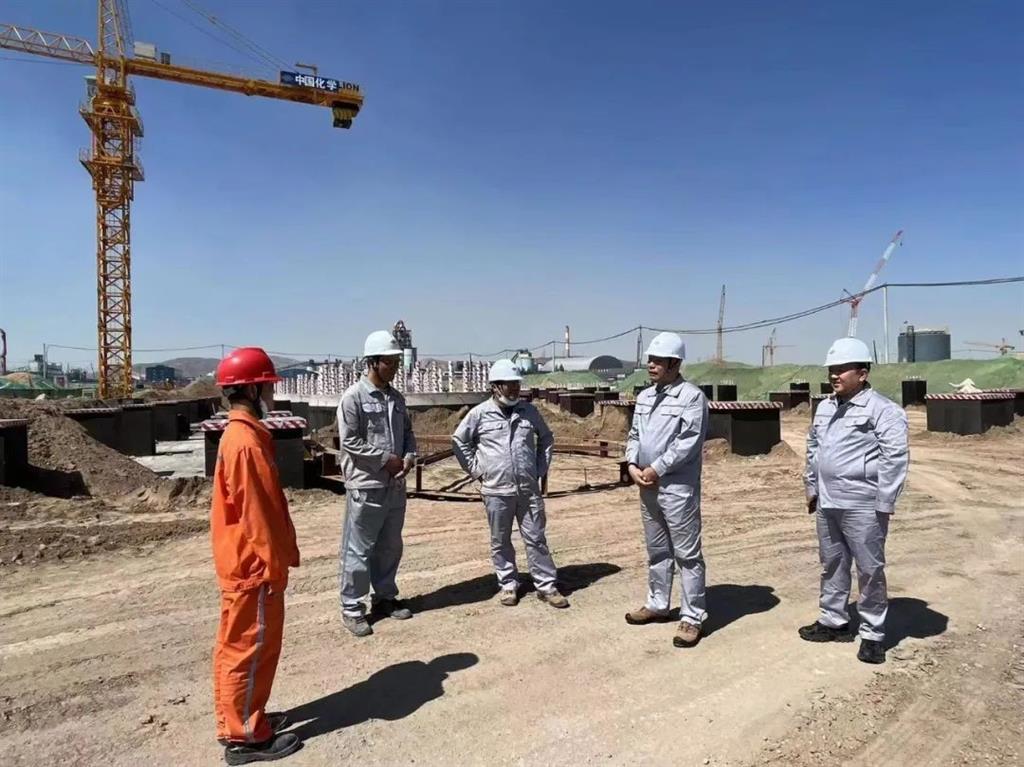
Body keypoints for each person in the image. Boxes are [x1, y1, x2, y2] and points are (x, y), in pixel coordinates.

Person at [210, 347, 300, 764]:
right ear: (250, 389)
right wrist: (274, 565)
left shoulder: (240, 435)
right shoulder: (245, 442)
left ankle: (244, 717)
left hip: (245, 562)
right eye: (266, 386)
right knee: (249, 648)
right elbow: (257, 513)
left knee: (243, 647)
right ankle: (244, 735)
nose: (271, 394)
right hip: (254, 567)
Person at [800, 337, 909, 664]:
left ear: (862, 374)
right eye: (832, 369)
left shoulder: (883, 410)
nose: (834, 375)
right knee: (832, 563)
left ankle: (873, 634)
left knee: (869, 569)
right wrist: (811, 487)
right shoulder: (825, 408)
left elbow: (895, 458)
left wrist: (885, 501)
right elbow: (813, 448)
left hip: (863, 504)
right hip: (828, 501)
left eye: (842, 369)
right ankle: (833, 620)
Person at [452, 359, 569, 608]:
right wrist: (476, 470)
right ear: (495, 386)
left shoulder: (529, 412)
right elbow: (459, 441)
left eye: (517, 384)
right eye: (509, 384)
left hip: (527, 489)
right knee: (500, 540)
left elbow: (546, 438)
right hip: (496, 490)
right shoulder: (480, 414)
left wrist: (540, 469)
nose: (515, 389)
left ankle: (546, 586)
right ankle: (508, 584)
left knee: (536, 538)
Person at [623, 332, 709, 648]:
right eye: (650, 360)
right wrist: (632, 465)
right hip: (647, 485)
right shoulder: (645, 397)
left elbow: (688, 442)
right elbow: (634, 434)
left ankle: (692, 617)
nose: (651, 365)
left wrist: (657, 468)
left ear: (675, 363)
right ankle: (658, 604)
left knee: (687, 554)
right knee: (657, 550)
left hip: (677, 488)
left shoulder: (692, 397)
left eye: (658, 361)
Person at [337, 330, 417, 637]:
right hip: (366, 485)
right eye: (389, 362)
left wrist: (409, 456)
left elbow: (408, 433)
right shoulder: (353, 398)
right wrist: (385, 459)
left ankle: (384, 597)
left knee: (390, 546)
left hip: (394, 486)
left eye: (397, 362)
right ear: (372, 362)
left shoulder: (396, 398)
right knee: (358, 549)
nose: (395, 368)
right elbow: (350, 441)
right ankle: (352, 608)